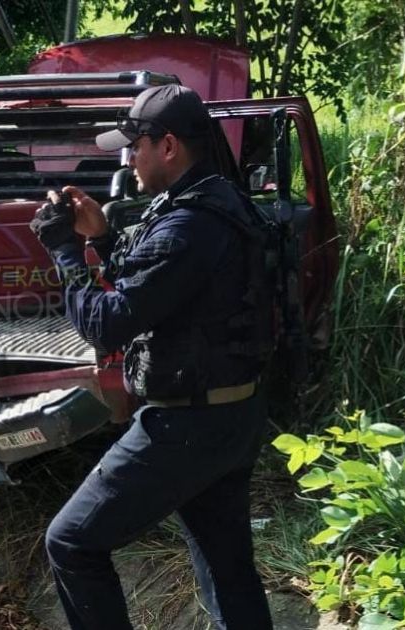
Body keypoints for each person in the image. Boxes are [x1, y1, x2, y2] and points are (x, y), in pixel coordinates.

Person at [33, 84, 274, 629]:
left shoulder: (189, 224)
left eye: (134, 145)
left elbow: (107, 324)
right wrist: (102, 237)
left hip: (186, 423)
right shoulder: (216, 201)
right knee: (227, 567)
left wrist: (65, 250)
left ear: (168, 146)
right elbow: (163, 284)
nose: (128, 158)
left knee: (72, 543)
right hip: (231, 414)